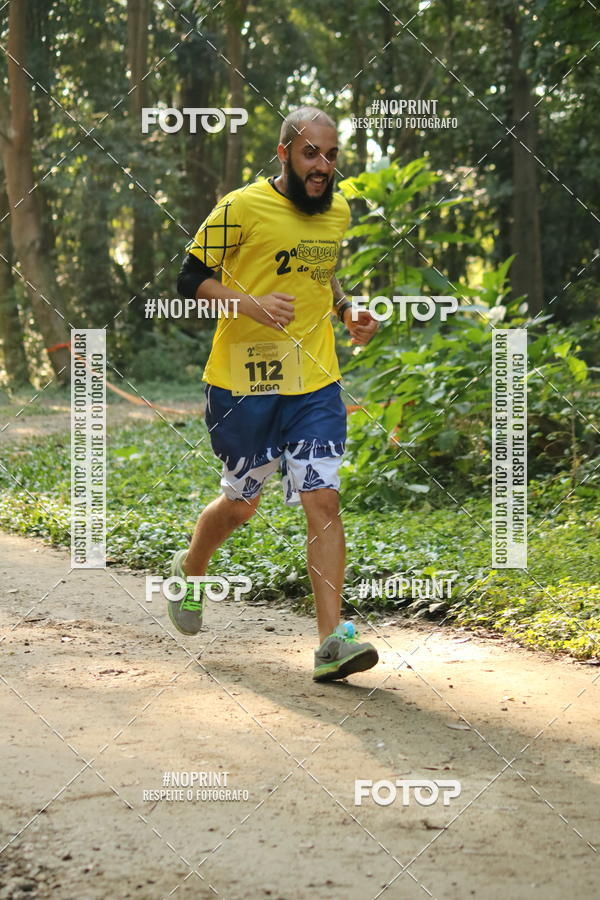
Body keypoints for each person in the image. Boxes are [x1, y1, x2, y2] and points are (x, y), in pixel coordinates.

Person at [173, 106, 379, 682]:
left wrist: (346, 311)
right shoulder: (240, 207)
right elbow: (188, 278)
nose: (323, 166)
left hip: (313, 382)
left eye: (332, 154)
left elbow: (323, 273)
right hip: (244, 385)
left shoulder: (336, 210)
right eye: (311, 153)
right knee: (241, 505)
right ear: (285, 152)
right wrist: (250, 304)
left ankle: (331, 643)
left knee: (324, 500)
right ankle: (192, 570)